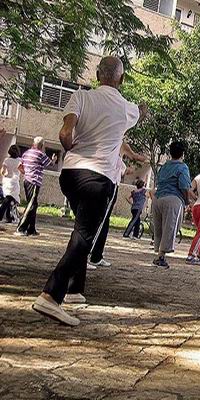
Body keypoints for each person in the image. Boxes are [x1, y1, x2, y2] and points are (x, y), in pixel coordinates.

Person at [32, 56, 146, 325]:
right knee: (86, 235)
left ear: (97, 75)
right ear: (122, 79)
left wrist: (72, 148)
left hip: (70, 174)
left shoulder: (80, 97)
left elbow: (65, 133)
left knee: (82, 231)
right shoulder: (126, 108)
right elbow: (139, 113)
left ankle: (74, 290)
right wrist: (142, 109)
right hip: (98, 178)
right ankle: (51, 296)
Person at [88, 143, 145, 269]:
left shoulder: (113, 145)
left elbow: (126, 164)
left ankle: (96, 255)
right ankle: (88, 255)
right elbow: (130, 156)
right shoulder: (115, 144)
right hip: (108, 183)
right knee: (100, 221)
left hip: (105, 182)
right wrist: (135, 157)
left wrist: (135, 157)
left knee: (102, 221)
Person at [152, 141, 193, 269]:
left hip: (158, 198)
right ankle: (161, 256)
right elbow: (184, 186)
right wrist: (187, 201)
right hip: (173, 199)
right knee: (170, 227)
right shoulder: (182, 167)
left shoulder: (164, 166)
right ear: (183, 154)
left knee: (159, 228)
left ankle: (159, 252)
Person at [15, 136, 56, 236]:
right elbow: (50, 164)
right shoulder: (41, 154)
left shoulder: (26, 153)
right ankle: (21, 228)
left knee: (33, 204)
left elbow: (19, 166)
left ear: (33, 143)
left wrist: (27, 173)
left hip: (26, 180)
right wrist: (54, 159)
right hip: (34, 181)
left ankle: (31, 229)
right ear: (41, 145)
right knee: (31, 205)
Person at [0, 145, 21, 223]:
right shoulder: (20, 160)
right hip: (15, 181)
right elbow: (22, 170)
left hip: (7, 181)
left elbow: (2, 171)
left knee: (8, 199)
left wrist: (5, 174)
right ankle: (8, 216)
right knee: (11, 199)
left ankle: (8, 217)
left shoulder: (7, 160)